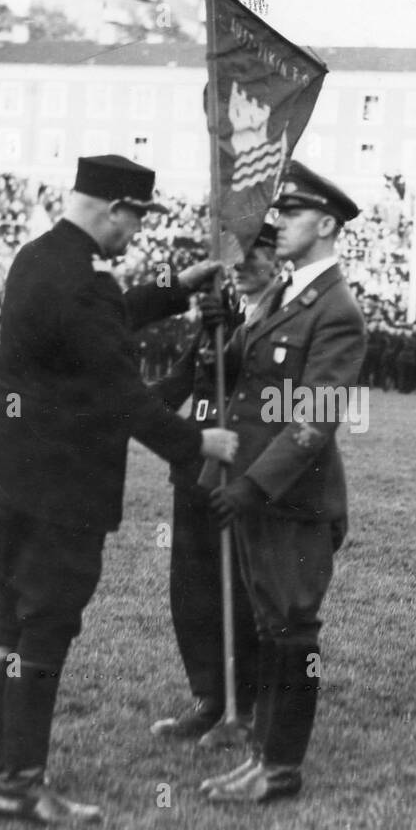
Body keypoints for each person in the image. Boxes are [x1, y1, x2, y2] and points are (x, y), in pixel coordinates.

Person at [0, 154, 239, 824]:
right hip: (59, 488)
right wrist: (198, 442)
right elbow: (124, 397)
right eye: (135, 219)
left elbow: (104, 315)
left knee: (11, 620)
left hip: (7, 470)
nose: (135, 233)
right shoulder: (85, 282)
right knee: (47, 630)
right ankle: (22, 785)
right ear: (115, 208)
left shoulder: (41, 257)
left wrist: (177, 289)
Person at [197, 161, 368, 803]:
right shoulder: (292, 294)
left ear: (326, 224)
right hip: (263, 494)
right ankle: (264, 757)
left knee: (294, 631)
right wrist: (223, 325)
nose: (280, 224)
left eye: (292, 214)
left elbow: (313, 420)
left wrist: (252, 485)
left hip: (291, 501)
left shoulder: (336, 309)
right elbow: (243, 377)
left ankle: (281, 768)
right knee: (272, 628)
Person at [147, 224, 283, 744]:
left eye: (256, 253)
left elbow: (285, 401)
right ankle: (208, 697)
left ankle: (242, 707)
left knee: (240, 592)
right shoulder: (217, 315)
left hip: (243, 474)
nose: (244, 264)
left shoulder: (284, 316)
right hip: (194, 470)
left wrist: (233, 348)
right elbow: (181, 381)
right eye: (237, 256)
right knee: (194, 590)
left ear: (277, 259)